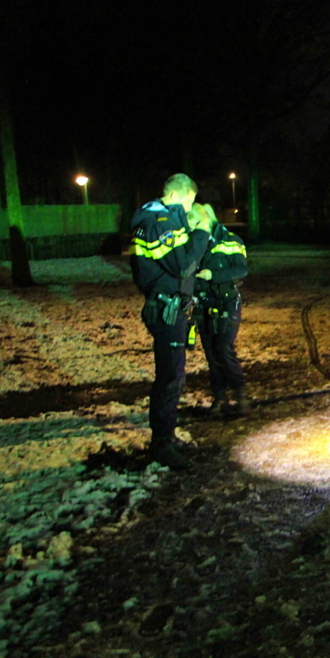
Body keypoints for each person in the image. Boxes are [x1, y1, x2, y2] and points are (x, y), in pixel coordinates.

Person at [130, 174, 212, 468]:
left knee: (174, 376)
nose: (191, 206)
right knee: (169, 378)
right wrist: (201, 231)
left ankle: (166, 434)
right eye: (190, 200)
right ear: (179, 194)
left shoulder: (163, 219)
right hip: (166, 308)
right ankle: (161, 444)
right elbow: (182, 264)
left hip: (172, 305)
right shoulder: (159, 222)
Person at [189, 203, 249, 417]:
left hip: (227, 302)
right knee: (211, 354)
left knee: (224, 350)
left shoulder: (231, 240)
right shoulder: (195, 241)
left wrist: (212, 275)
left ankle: (241, 397)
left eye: (192, 222)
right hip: (204, 304)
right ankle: (220, 398)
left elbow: (242, 269)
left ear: (204, 220)